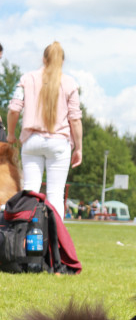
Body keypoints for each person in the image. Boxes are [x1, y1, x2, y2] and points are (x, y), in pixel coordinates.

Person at [6, 41, 82, 220]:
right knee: (56, 193)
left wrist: (11, 134)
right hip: (59, 143)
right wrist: (78, 148)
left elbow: (13, 110)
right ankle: (55, 240)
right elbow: (75, 119)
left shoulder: (27, 79)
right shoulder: (70, 83)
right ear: (62, 61)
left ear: (43, 59)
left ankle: (26, 235)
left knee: (30, 190)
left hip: (32, 140)